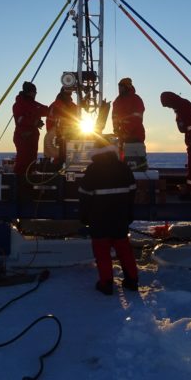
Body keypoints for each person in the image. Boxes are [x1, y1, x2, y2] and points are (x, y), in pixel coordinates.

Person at [78, 144, 139, 295]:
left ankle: (106, 284)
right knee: (124, 249)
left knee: (102, 251)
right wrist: (128, 212)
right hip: (120, 217)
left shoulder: (93, 170)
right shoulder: (123, 168)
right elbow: (132, 190)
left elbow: (84, 195)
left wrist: (84, 216)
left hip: (99, 219)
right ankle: (132, 281)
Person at [160, 91, 191, 200]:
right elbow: (183, 128)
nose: (168, 107)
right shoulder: (179, 107)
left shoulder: (183, 106)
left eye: (168, 105)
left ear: (170, 100)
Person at [12, 81, 49, 182]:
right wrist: (35, 122)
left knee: (32, 157)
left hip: (32, 136)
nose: (35, 94)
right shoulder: (18, 104)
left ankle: (29, 178)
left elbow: (45, 110)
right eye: (34, 92)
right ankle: (18, 183)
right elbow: (20, 119)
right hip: (22, 136)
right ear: (30, 92)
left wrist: (51, 111)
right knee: (22, 159)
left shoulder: (33, 104)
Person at [45, 88, 79, 166]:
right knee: (59, 159)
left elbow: (78, 121)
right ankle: (57, 173)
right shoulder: (55, 106)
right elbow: (50, 122)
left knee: (71, 159)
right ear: (62, 94)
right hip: (58, 137)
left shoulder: (74, 106)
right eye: (67, 94)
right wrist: (54, 136)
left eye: (70, 94)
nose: (68, 96)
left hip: (71, 137)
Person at [112, 77, 145, 148]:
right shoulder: (117, 101)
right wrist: (116, 130)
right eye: (119, 86)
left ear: (127, 87)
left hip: (136, 136)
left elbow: (137, 118)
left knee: (133, 156)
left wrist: (126, 132)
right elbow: (114, 117)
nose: (119, 88)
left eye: (121, 86)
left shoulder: (136, 99)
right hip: (122, 138)